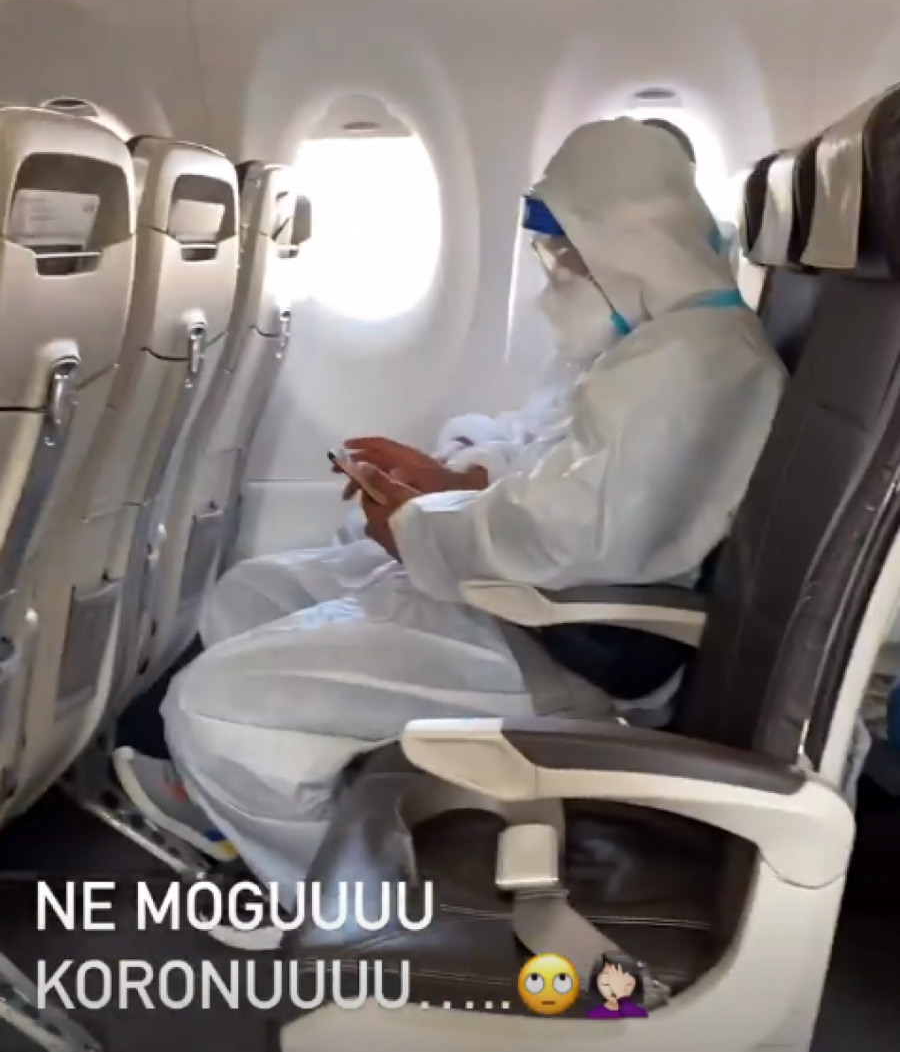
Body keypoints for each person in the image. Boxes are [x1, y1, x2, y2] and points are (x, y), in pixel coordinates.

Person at [113, 117, 786, 943]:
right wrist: (443, 489)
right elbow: (557, 474)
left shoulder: (697, 367)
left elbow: (577, 538)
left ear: (627, 242)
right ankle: (284, 802)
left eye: (570, 254)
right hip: (522, 601)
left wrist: (416, 527)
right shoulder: (657, 339)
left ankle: (347, 917)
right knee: (250, 596)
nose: (557, 273)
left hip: (565, 642)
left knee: (212, 707)